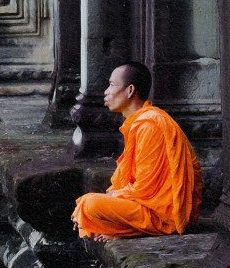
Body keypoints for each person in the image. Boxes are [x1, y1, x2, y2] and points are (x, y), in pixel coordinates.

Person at [72, 61, 203, 242]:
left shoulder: (150, 125)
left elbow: (144, 189)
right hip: (148, 206)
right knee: (91, 205)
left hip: (163, 214)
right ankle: (123, 229)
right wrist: (112, 195)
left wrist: (111, 197)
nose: (106, 91)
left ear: (130, 90)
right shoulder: (139, 123)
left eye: (111, 85)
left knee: (89, 205)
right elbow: (130, 181)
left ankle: (130, 230)